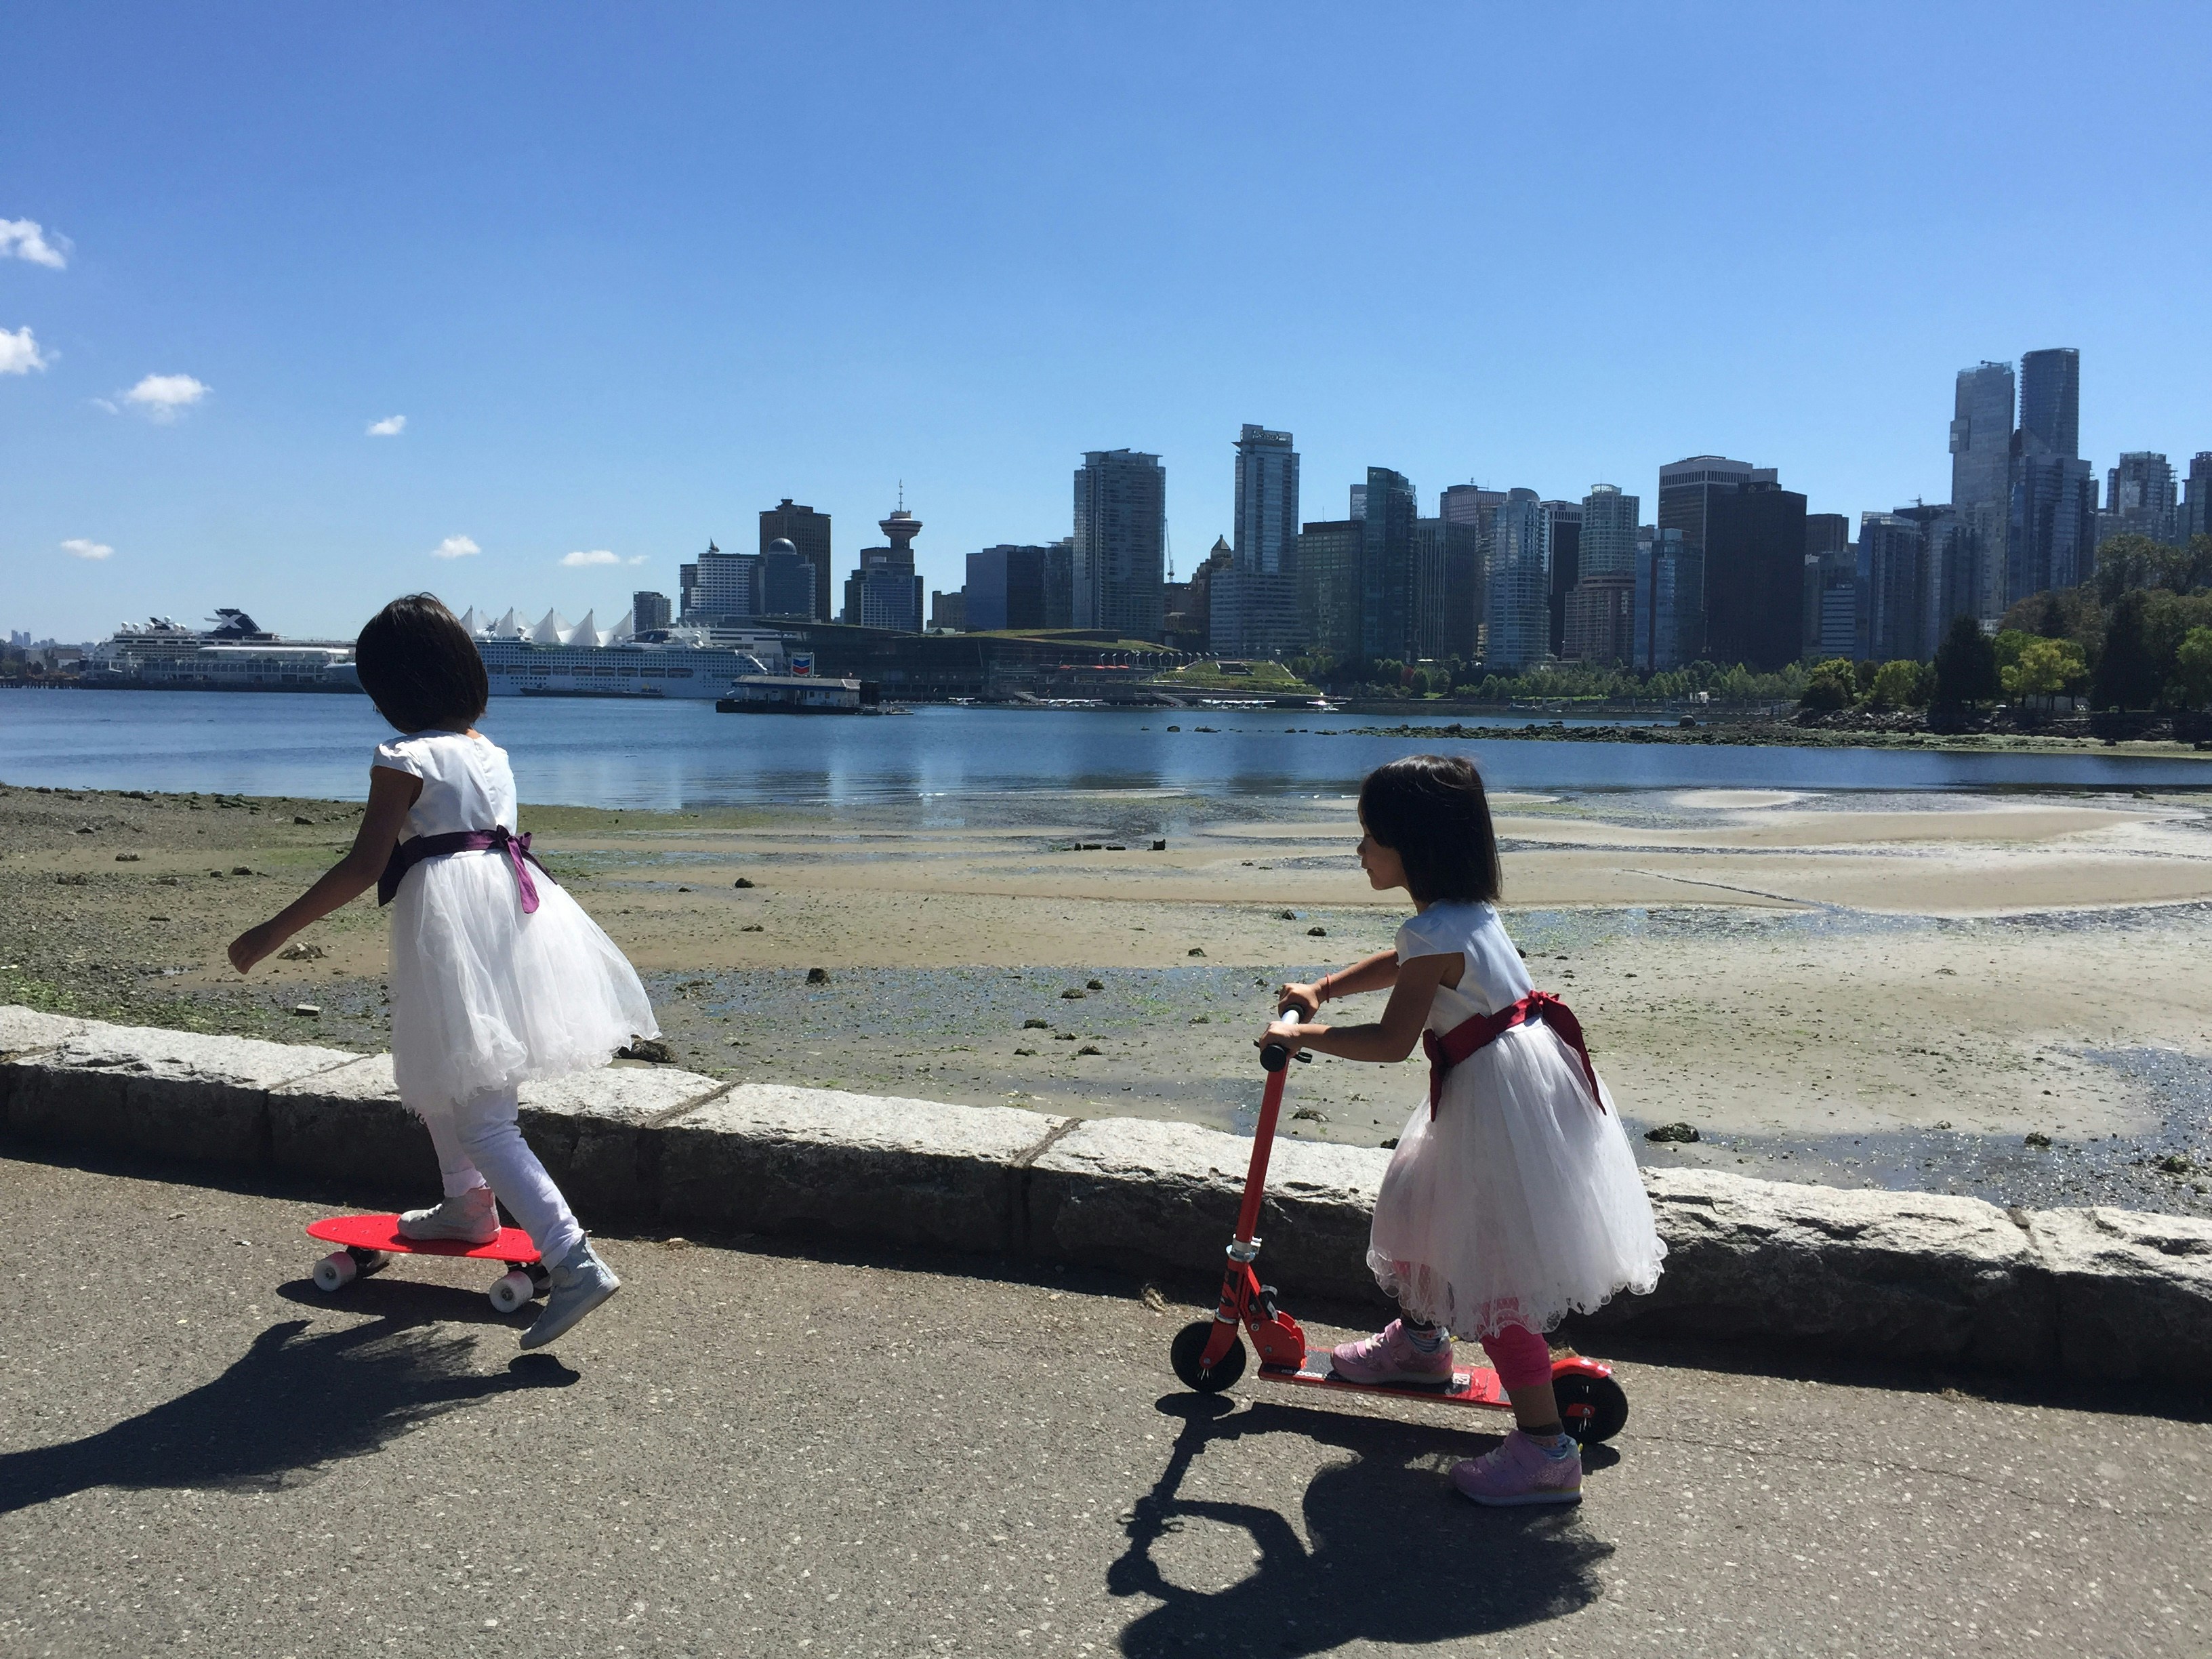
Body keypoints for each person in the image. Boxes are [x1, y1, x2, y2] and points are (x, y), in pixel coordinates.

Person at [228, 594, 656, 1349]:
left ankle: (574, 1258)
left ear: (393, 689)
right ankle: (466, 1206)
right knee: (440, 1066)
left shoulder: (404, 758)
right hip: (510, 913)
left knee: (485, 1115)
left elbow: (365, 864)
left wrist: (270, 933)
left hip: (452, 923)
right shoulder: (488, 750)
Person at [1267, 754, 1663, 1505]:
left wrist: (1301, 1038)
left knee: (1494, 1274)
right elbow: (1409, 959)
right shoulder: (1461, 917)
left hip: (1497, 1102)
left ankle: (1547, 1452)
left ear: (1411, 846)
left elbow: (1389, 1042)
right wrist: (1324, 987)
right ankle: (1420, 1344)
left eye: (1370, 837)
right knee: (1419, 1195)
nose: (1360, 851)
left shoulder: (1438, 932)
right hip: (1515, 1089)